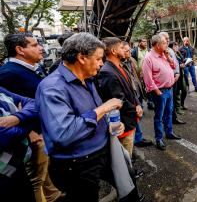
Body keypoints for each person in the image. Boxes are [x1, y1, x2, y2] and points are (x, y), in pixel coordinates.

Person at [35, 33, 139, 201]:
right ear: (81, 57)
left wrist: (109, 124)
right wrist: (103, 108)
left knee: (128, 186)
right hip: (77, 164)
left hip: (103, 151)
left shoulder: (89, 80)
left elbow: (92, 115)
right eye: (98, 59)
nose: (102, 63)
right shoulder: (52, 87)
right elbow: (64, 134)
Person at [0, 32, 62, 202]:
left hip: (44, 130)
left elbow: (33, 102)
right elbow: (6, 111)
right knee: (35, 180)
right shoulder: (7, 73)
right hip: (31, 137)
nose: (41, 48)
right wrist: (29, 132)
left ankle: (54, 196)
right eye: (34, 45)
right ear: (20, 49)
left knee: (46, 172)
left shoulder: (36, 68)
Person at [96, 37, 144, 157]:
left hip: (130, 118)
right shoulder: (107, 72)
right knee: (124, 156)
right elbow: (117, 99)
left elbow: (131, 90)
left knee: (129, 151)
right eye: (122, 48)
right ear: (113, 51)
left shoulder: (120, 66)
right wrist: (135, 109)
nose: (125, 50)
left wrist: (137, 103)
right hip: (123, 122)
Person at [142, 35, 181, 151]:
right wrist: (158, 92)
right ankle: (159, 138)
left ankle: (169, 132)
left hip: (169, 90)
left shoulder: (164, 54)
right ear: (158, 45)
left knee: (169, 113)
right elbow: (148, 80)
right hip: (160, 92)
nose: (167, 45)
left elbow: (174, 66)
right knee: (159, 116)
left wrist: (169, 57)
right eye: (164, 43)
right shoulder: (148, 58)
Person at [0, 87, 37, 202]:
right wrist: (28, 121)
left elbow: (34, 103)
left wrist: (17, 117)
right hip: (2, 170)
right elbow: (6, 136)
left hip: (15, 163)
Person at [122, 42, 153, 148]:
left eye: (129, 50)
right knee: (133, 115)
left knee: (138, 116)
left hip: (137, 92)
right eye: (126, 51)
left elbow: (137, 73)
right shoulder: (120, 64)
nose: (129, 52)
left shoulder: (131, 60)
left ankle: (138, 137)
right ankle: (136, 139)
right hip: (131, 94)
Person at [159, 32, 186, 125]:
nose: (168, 40)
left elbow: (174, 64)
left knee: (173, 100)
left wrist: (177, 73)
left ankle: (173, 118)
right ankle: (167, 121)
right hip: (169, 81)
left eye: (168, 38)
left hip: (175, 78)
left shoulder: (169, 50)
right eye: (165, 39)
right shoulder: (160, 52)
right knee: (167, 103)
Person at [132, 38, 155, 110]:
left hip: (149, 74)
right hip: (139, 75)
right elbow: (133, 62)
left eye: (146, 42)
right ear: (139, 43)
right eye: (144, 42)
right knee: (140, 89)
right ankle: (140, 105)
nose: (145, 43)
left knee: (149, 88)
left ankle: (150, 103)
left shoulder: (149, 50)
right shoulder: (135, 51)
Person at [169, 41, 187, 124]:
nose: (177, 47)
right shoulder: (169, 52)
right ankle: (175, 112)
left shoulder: (177, 53)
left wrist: (186, 61)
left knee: (183, 90)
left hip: (180, 74)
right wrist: (179, 66)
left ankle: (179, 108)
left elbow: (181, 61)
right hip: (175, 76)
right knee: (175, 94)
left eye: (177, 45)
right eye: (175, 45)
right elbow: (172, 65)